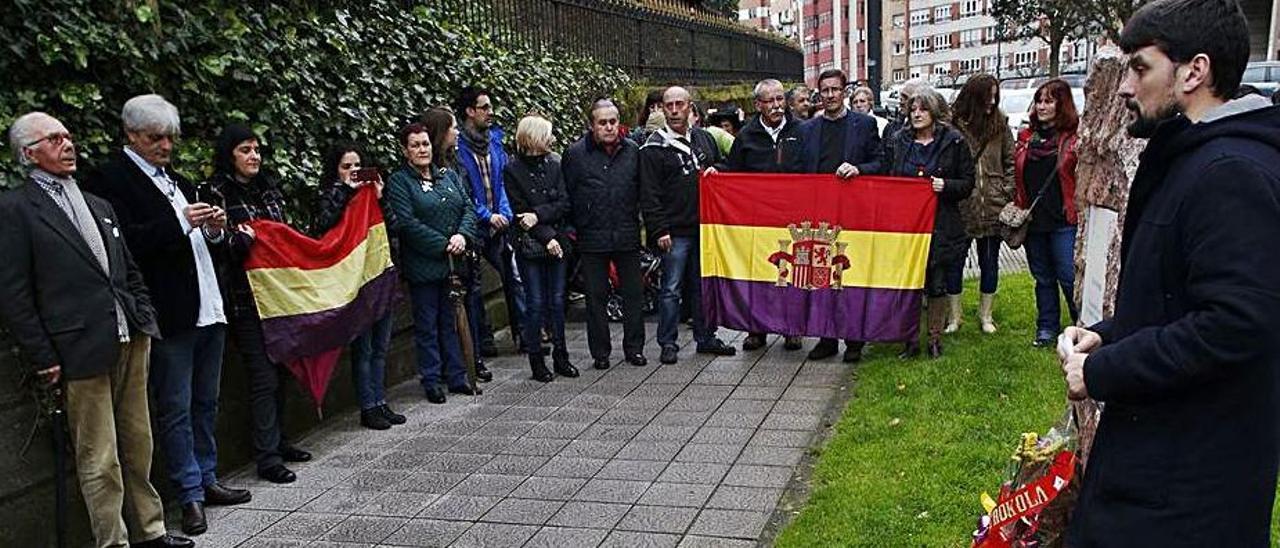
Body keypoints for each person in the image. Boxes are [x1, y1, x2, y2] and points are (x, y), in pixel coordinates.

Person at [1059, 0, 1280, 544]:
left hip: (1186, 492)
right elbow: (1177, 297)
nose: (1126, 88)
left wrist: (1104, 371)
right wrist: (1106, 335)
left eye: (1140, 68)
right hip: (1161, 467)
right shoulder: (1196, 157)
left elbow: (1236, 325)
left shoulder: (1231, 173)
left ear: (1193, 71)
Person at [0, 112, 191, 548]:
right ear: (29, 154)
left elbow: (127, 270)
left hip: (130, 337)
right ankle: (113, 541)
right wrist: (43, 355)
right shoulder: (14, 209)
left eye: (68, 135)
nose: (68, 144)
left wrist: (145, 317)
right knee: (99, 455)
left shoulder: (98, 203)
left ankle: (151, 531)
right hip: (77, 349)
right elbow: (13, 294)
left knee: (139, 444)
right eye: (54, 139)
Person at [82, 95, 250, 536]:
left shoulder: (175, 179)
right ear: (132, 135)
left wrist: (212, 229)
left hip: (207, 305)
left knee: (205, 400)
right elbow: (124, 245)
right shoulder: (111, 180)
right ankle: (188, 493)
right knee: (174, 406)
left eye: (170, 138)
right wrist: (181, 222)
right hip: (169, 312)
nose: (166, 146)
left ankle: (208, 477)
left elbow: (198, 239)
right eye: (156, 138)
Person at [200, 124, 311, 484]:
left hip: (279, 295)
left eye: (257, 150)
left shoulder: (269, 188)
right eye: (245, 150)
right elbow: (217, 247)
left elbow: (284, 236)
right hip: (245, 299)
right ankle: (267, 455)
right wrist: (243, 240)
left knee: (282, 370)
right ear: (229, 154)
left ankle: (280, 441)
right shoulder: (216, 191)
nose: (254, 157)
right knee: (262, 376)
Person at [311, 141, 407, 430]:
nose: (353, 172)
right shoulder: (329, 195)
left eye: (357, 166)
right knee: (363, 349)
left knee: (381, 346)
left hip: (380, 276)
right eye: (346, 167)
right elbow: (321, 227)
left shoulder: (374, 196)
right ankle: (368, 406)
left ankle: (380, 401)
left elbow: (394, 227)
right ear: (335, 171)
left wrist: (379, 197)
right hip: (354, 283)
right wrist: (345, 194)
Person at [639, 86, 738, 364]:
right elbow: (649, 194)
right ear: (662, 108)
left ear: (690, 108)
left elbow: (726, 165)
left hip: (705, 228)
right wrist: (659, 230)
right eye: (668, 105)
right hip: (674, 231)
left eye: (679, 104)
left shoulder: (705, 139)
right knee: (671, 289)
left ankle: (706, 336)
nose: (673, 110)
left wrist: (720, 171)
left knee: (702, 285)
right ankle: (668, 342)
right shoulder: (653, 147)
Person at [384, 122, 479, 404]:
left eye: (425, 144)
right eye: (415, 145)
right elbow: (407, 223)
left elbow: (468, 208)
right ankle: (432, 379)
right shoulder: (400, 182)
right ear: (405, 150)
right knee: (427, 325)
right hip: (425, 266)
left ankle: (456, 375)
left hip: (454, 265)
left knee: (451, 321)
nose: (422, 150)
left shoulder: (447, 175)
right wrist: (444, 244)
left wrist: (463, 235)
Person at [796, 68, 883, 363]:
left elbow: (880, 162)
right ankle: (826, 338)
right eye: (825, 90)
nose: (830, 95)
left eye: (835, 89)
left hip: (853, 214)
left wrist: (860, 170)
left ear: (844, 91)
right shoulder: (807, 129)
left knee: (850, 276)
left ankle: (855, 340)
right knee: (821, 278)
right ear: (818, 94)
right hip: (819, 215)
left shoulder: (865, 124)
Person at [882, 89, 976, 358]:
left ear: (934, 112)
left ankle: (934, 338)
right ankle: (909, 339)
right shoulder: (900, 141)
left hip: (941, 224)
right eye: (913, 110)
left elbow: (968, 183)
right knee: (911, 283)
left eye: (922, 109)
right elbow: (889, 177)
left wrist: (945, 185)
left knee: (937, 283)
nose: (917, 114)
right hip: (908, 225)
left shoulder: (954, 141)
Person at [564, 98, 649, 370]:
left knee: (634, 294)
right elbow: (568, 193)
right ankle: (600, 352)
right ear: (592, 126)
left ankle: (634, 348)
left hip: (626, 233)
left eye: (613, 122)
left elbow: (642, 192)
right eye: (603, 123)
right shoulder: (576, 154)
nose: (610, 127)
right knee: (595, 296)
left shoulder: (632, 151)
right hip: (592, 236)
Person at [724, 78, 805, 352]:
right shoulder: (746, 136)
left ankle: (791, 328)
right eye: (770, 101)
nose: (777, 105)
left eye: (780, 99)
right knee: (758, 274)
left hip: (793, 218)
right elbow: (733, 176)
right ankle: (755, 330)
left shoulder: (801, 131)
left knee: (791, 273)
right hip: (757, 220)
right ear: (758, 105)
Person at [502, 115, 579, 382]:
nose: (551, 139)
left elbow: (565, 204)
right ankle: (536, 359)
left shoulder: (556, 164)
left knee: (558, 302)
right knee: (535, 302)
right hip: (532, 244)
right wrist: (546, 236)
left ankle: (561, 355)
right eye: (546, 134)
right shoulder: (512, 170)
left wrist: (538, 214)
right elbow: (520, 215)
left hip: (558, 239)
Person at [422, 106, 495, 383]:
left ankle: (471, 360)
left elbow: (467, 203)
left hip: (466, 247)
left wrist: (465, 235)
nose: (456, 132)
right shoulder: (431, 171)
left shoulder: (455, 165)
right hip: (443, 253)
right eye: (452, 127)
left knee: (472, 304)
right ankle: (451, 367)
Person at [454, 86, 527, 354]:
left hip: (500, 224)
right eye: (484, 107)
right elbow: (465, 192)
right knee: (473, 288)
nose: (490, 112)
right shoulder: (459, 148)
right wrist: (487, 215)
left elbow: (501, 181)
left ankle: (525, 333)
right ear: (470, 112)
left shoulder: (495, 142)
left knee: (515, 277)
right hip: (476, 226)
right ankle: (483, 341)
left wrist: (504, 212)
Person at [1014, 79, 1081, 347]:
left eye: (1049, 101)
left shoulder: (1073, 138)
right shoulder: (1027, 137)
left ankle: (1082, 327)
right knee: (1042, 278)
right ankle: (1046, 328)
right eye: (1039, 100)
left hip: (1062, 219)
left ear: (1061, 104)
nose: (1042, 106)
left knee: (1068, 276)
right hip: (1034, 221)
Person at [948, 74, 1015, 335]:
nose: (992, 102)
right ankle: (955, 316)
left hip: (993, 204)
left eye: (995, 96)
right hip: (962, 204)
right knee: (956, 261)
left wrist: (1006, 189)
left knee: (990, 261)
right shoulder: (954, 126)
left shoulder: (1000, 124)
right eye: (988, 96)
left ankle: (986, 315)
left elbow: (1010, 159)